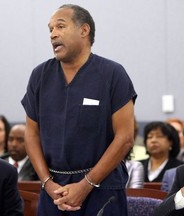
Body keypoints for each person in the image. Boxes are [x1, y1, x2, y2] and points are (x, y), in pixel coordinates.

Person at [21, 4, 137, 215]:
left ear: (84, 30)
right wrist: (48, 184)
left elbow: (125, 137)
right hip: (54, 192)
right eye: (50, 30)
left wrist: (86, 185)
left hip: (102, 188)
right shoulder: (39, 76)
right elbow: (31, 134)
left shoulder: (113, 74)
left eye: (60, 26)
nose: (53, 34)